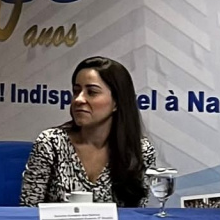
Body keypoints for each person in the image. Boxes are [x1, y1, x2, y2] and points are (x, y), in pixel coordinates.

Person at [20, 56, 156, 207]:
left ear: (116, 103)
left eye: (91, 92)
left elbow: (138, 214)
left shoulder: (140, 151)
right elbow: (28, 209)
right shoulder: (51, 143)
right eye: (76, 91)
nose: (78, 99)